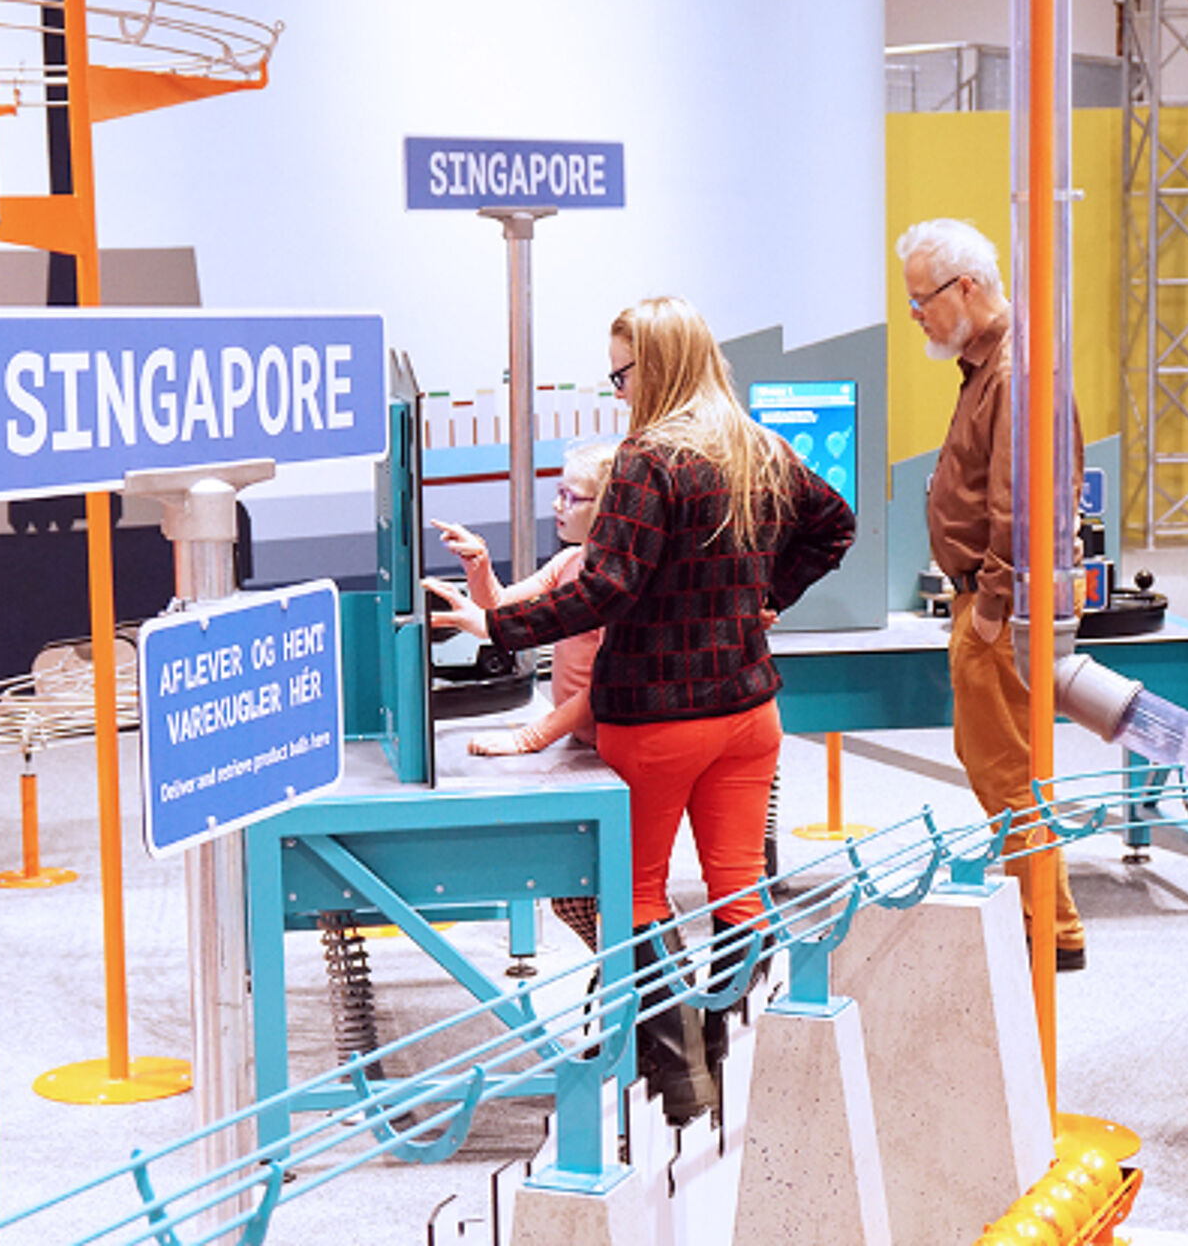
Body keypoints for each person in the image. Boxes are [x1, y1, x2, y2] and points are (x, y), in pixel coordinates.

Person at [426, 296, 855, 1124]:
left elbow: (606, 586)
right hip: (749, 713)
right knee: (740, 890)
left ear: (654, 367)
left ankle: (684, 1084)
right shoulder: (758, 448)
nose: (619, 391)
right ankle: (740, 1067)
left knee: (637, 896)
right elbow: (834, 525)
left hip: (657, 717)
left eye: (621, 375)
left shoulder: (647, 460)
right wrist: (767, 598)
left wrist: (498, 626)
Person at [896, 216, 1087, 971]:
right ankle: (1044, 918)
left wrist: (992, 610)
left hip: (1000, 608)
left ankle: (1052, 929)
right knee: (999, 764)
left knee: (1009, 770)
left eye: (922, 300)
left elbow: (1026, 509)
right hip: (988, 601)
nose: (917, 315)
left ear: (966, 287)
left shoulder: (1015, 373)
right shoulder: (992, 367)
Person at [429, 437, 620, 957]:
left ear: (606, 507)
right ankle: (622, 971)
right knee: (573, 896)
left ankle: (644, 981)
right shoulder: (569, 562)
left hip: (616, 751)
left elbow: (605, 686)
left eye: (570, 497)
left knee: (615, 889)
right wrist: (478, 566)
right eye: (558, 492)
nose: (557, 504)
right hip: (583, 746)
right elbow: (502, 608)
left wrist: (531, 737)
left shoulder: (615, 583)